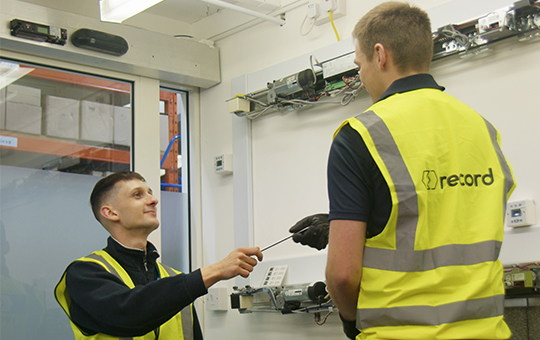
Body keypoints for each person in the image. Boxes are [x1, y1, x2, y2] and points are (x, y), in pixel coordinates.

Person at [290, 2, 515, 339]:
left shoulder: (360, 135)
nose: (361, 77)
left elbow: (342, 277)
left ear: (380, 55)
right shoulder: (483, 129)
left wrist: (352, 321)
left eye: (360, 64)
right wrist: (361, 226)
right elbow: (443, 216)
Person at [55, 171, 263, 339]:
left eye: (150, 193)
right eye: (138, 195)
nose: (154, 200)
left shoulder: (172, 279)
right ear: (110, 213)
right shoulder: (85, 273)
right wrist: (214, 271)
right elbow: (130, 313)